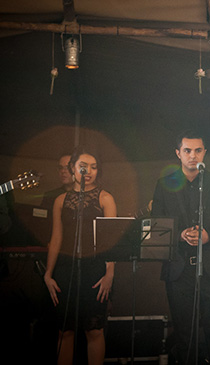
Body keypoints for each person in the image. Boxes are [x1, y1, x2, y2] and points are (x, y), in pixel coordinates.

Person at [151, 129, 210, 365]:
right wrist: (179, 234)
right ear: (178, 153)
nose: (193, 155)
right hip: (179, 271)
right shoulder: (164, 184)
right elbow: (155, 224)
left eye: (198, 150)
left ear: (204, 153)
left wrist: (209, 236)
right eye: (187, 150)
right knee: (184, 336)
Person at [43, 147, 117, 365]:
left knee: (93, 330)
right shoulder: (60, 200)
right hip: (66, 269)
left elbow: (110, 240)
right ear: (73, 169)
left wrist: (110, 273)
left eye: (94, 167)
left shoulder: (105, 198)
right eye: (83, 167)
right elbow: (56, 238)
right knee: (64, 331)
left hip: (94, 270)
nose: (89, 171)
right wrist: (48, 274)